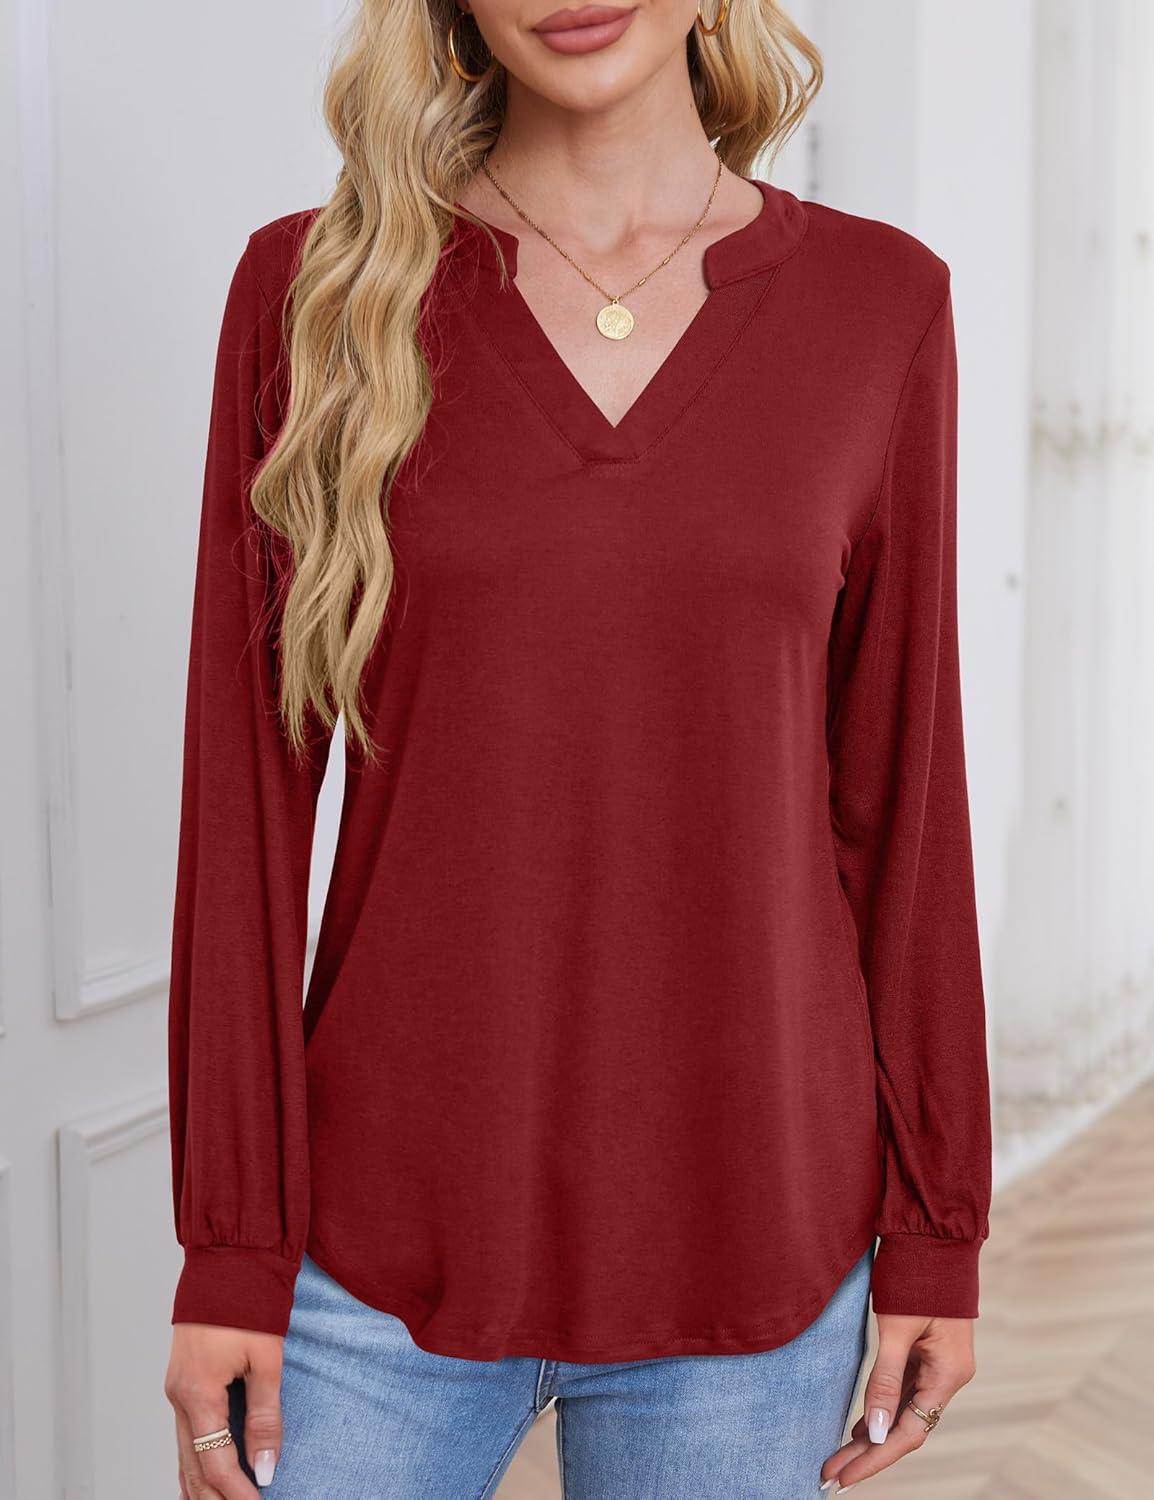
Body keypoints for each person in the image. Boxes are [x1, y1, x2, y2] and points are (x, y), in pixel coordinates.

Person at [162, 0, 993, 1494]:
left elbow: (903, 801)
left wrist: (938, 1223)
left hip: (758, 1249)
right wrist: (230, 1245)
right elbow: (243, 809)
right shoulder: (315, 289)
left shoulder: (880, 303)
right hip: (373, 1253)